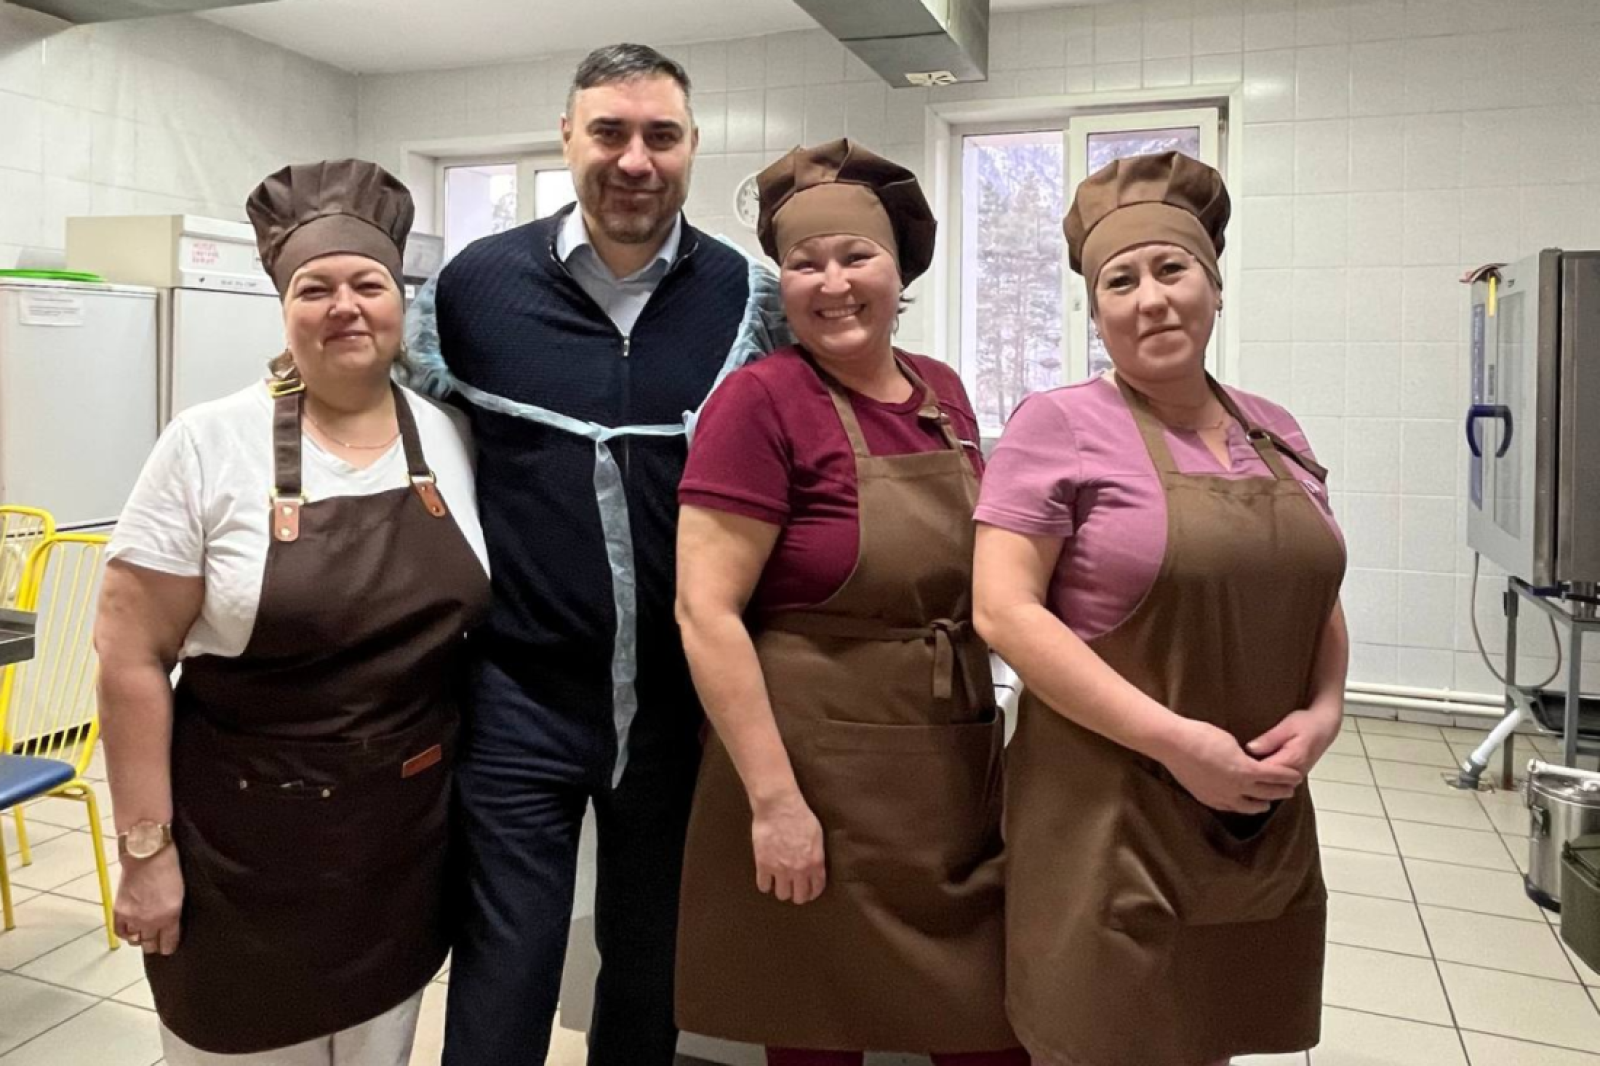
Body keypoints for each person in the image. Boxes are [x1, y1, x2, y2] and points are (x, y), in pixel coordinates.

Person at [407, 43, 784, 1066]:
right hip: (519, 695)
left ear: (693, 146)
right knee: (507, 967)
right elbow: (401, 438)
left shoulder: (748, 299)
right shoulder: (473, 289)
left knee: (651, 965)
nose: (635, 161)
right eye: (609, 133)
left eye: (661, 136)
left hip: (680, 702)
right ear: (566, 137)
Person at [94, 158, 490, 1065]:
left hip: (400, 849)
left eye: (368, 284)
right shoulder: (207, 443)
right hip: (244, 853)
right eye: (315, 288)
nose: (344, 306)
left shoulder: (448, 436)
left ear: (400, 302)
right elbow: (128, 659)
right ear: (284, 307)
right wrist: (146, 852)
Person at [972, 151, 1349, 1066]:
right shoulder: (1058, 424)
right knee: (1106, 1034)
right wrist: (1180, 744)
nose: (1151, 300)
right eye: (1121, 281)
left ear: (1213, 286)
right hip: (1109, 810)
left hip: (1251, 805)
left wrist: (1325, 713)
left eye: (1172, 269)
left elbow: (1316, 591)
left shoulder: (1275, 428)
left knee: (1209, 1029)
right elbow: (1005, 612)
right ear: (1096, 310)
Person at [673, 139, 1025, 1066]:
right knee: (818, 1036)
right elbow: (704, 614)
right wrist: (775, 805)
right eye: (805, 263)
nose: (832, 283)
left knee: (991, 1032)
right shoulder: (758, 402)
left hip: (947, 768)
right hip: (814, 777)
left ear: (899, 271)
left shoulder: (944, 393)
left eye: (856, 256)